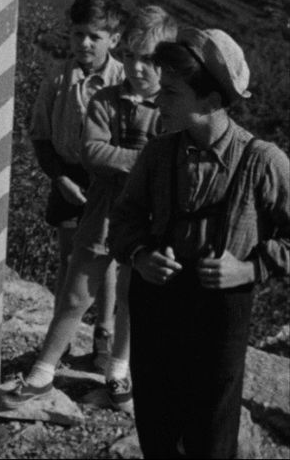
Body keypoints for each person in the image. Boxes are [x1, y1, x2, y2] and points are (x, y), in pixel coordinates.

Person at [109, 27, 289, 459]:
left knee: (211, 433)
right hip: (156, 303)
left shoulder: (262, 161)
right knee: (157, 426)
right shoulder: (158, 154)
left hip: (220, 313)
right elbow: (124, 220)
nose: (157, 101)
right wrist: (140, 254)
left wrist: (248, 269)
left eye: (170, 92)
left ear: (209, 101)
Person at [2, 5, 176, 412]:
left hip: (149, 221)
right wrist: (147, 161)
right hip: (103, 212)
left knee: (132, 296)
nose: (136, 67)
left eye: (148, 59)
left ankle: (118, 372)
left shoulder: (169, 110)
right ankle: (43, 373)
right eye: (130, 57)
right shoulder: (105, 98)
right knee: (76, 293)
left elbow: (171, 163)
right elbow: (92, 151)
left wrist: (133, 162)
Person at [29, 0, 124, 366]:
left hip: (110, 179)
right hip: (69, 177)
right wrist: (58, 178)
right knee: (69, 258)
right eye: (78, 34)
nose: (84, 43)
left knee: (108, 258)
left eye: (95, 36)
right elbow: (40, 134)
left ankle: (104, 333)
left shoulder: (122, 81)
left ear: (113, 39)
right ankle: (61, 338)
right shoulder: (57, 80)